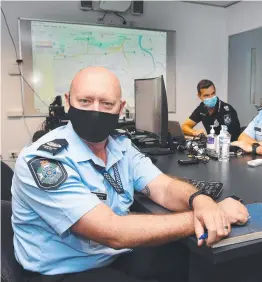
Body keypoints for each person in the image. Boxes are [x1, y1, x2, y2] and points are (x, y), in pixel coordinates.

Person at [11, 67, 249, 282]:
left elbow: (162, 187)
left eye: (106, 104)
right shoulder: (45, 160)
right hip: (65, 270)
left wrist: (199, 199)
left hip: (112, 256)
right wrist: (212, 216)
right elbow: (113, 232)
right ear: (68, 101)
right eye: (85, 101)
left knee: (195, 262)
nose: (96, 110)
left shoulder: (119, 146)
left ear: (121, 108)